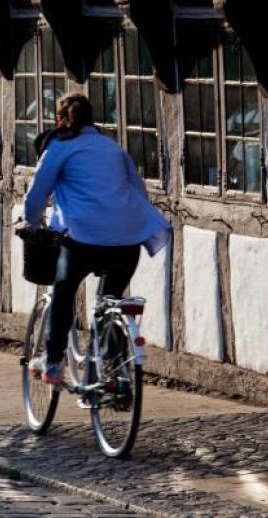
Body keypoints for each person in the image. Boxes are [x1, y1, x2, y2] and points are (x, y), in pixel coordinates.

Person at [18, 92, 171, 385]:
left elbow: (36, 195)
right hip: (127, 242)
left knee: (63, 291)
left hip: (83, 241)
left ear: (61, 121)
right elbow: (138, 192)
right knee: (111, 300)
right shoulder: (113, 148)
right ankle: (111, 367)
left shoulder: (59, 148)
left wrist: (32, 222)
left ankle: (51, 363)